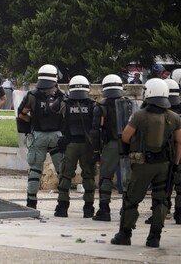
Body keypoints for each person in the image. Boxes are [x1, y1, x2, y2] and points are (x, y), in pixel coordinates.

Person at [111, 78, 181, 248]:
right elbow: (179, 142)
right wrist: (176, 164)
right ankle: (154, 238)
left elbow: (126, 137)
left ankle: (125, 234)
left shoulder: (139, 115)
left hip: (142, 164)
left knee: (132, 199)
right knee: (161, 200)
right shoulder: (174, 117)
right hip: (165, 164)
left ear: (148, 93)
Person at [17, 64, 64, 209]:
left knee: (35, 170)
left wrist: (32, 122)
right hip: (57, 136)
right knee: (62, 171)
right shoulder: (61, 95)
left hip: (38, 136)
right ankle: (62, 204)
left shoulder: (32, 95)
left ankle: (31, 203)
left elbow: (21, 114)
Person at [52, 75, 96, 218]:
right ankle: (88, 208)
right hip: (87, 145)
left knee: (65, 176)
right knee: (88, 176)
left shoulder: (66, 103)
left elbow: (53, 109)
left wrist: (60, 95)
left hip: (70, 144)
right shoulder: (92, 104)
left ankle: (62, 208)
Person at [91, 74, 125, 222]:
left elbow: (95, 131)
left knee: (105, 177)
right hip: (127, 144)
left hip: (110, 144)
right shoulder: (128, 104)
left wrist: (96, 151)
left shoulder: (101, 107)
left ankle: (104, 209)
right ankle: (128, 209)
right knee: (127, 179)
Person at [165, 79, 181, 224]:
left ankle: (163, 210)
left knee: (164, 184)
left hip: (166, 151)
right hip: (178, 151)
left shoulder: (161, 111)